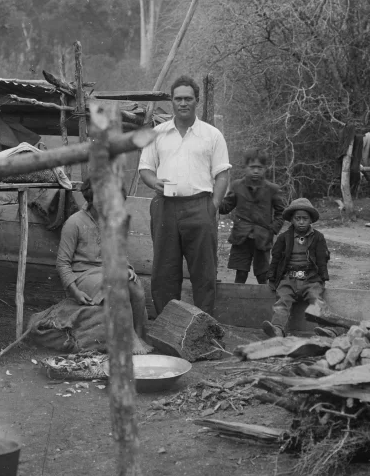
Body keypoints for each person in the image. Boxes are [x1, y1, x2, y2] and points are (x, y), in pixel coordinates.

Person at [138, 76, 231, 315]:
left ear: (196, 101)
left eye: (188, 98)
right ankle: (166, 325)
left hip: (199, 205)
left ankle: (204, 328)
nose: (182, 103)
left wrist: (213, 206)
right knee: (164, 271)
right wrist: (154, 182)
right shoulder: (157, 133)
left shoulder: (212, 135)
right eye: (178, 98)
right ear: (171, 101)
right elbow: (145, 169)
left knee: (204, 271)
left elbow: (222, 175)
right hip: (165, 207)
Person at [55, 177, 152, 354]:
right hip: (84, 275)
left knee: (136, 286)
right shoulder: (74, 223)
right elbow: (62, 262)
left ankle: (140, 334)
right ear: (91, 198)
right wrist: (74, 291)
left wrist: (128, 269)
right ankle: (130, 338)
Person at [262, 198, 330, 338]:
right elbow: (275, 258)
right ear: (291, 220)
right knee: (282, 302)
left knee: (316, 299)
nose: (301, 222)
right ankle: (277, 329)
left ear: (310, 220)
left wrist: (322, 278)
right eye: (297, 218)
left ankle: (328, 329)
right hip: (289, 278)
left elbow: (322, 259)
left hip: (310, 279)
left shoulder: (318, 237)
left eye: (304, 218)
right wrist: (272, 277)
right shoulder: (283, 238)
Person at [218, 148, 286, 285]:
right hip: (240, 237)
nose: (256, 171)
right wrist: (213, 198)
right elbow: (225, 207)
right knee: (241, 273)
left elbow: (281, 212)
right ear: (245, 168)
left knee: (263, 274)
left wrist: (272, 229)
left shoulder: (272, 189)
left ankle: (265, 303)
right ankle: (238, 303)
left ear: (265, 169)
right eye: (252, 167)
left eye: (259, 168)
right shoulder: (237, 186)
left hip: (262, 238)